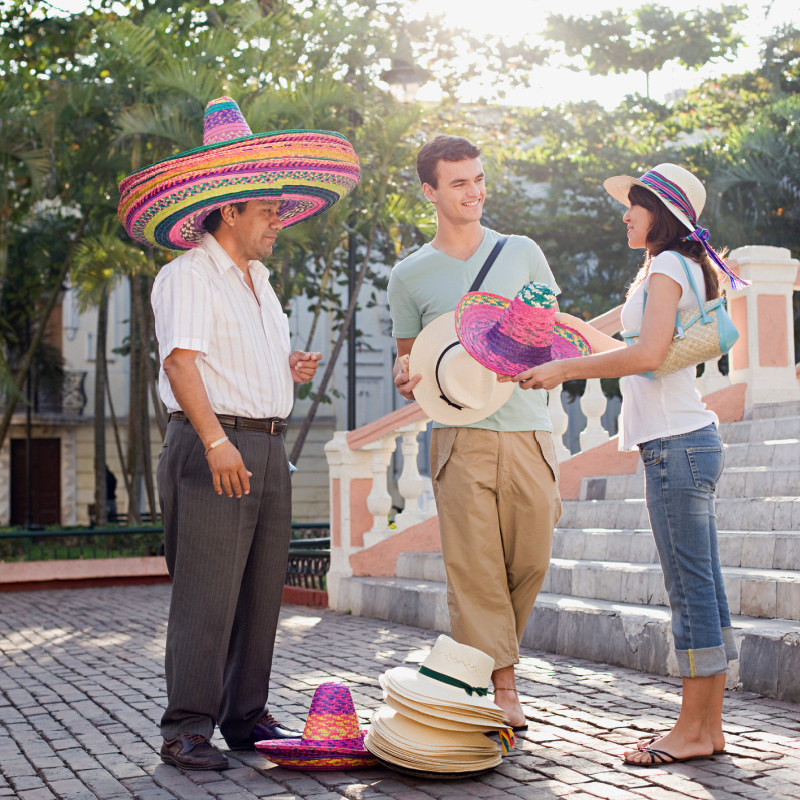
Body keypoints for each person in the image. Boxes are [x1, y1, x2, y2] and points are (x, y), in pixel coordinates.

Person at [117, 96, 360, 770]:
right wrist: (218, 442)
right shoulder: (188, 275)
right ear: (230, 211)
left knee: (258, 591)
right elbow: (182, 362)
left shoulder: (261, 285)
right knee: (207, 593)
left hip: (265, 442)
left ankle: (245, 715)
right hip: (214, 443)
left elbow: (230, 362)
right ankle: (186, 729)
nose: (279, 223)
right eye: (269, 212)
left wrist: (287, 371)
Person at [509, 163, 745, 766]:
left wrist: (562, 369)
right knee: (705, 589)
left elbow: (644, 353)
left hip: (675, 444)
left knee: (691, 592)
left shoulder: (667, 266)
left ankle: (692, 730)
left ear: (658, 213)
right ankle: (708, 728)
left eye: (633, 207)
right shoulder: (675, 267)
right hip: (686, 441)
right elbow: (619, 337)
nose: (624, 216)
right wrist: (555, 343)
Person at [388, 134, 562, 730]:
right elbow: (411, 360)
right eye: (459, 182)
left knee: (531, 560)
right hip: (457, 436)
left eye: (478, 178)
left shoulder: (522, 252)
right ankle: (504, 686)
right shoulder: (409, 275)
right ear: (430, 191)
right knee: (473, 566)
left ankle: (483, 663)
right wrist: (403, 377)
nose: (474, 191)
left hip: (526, 429)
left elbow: (551, 331)